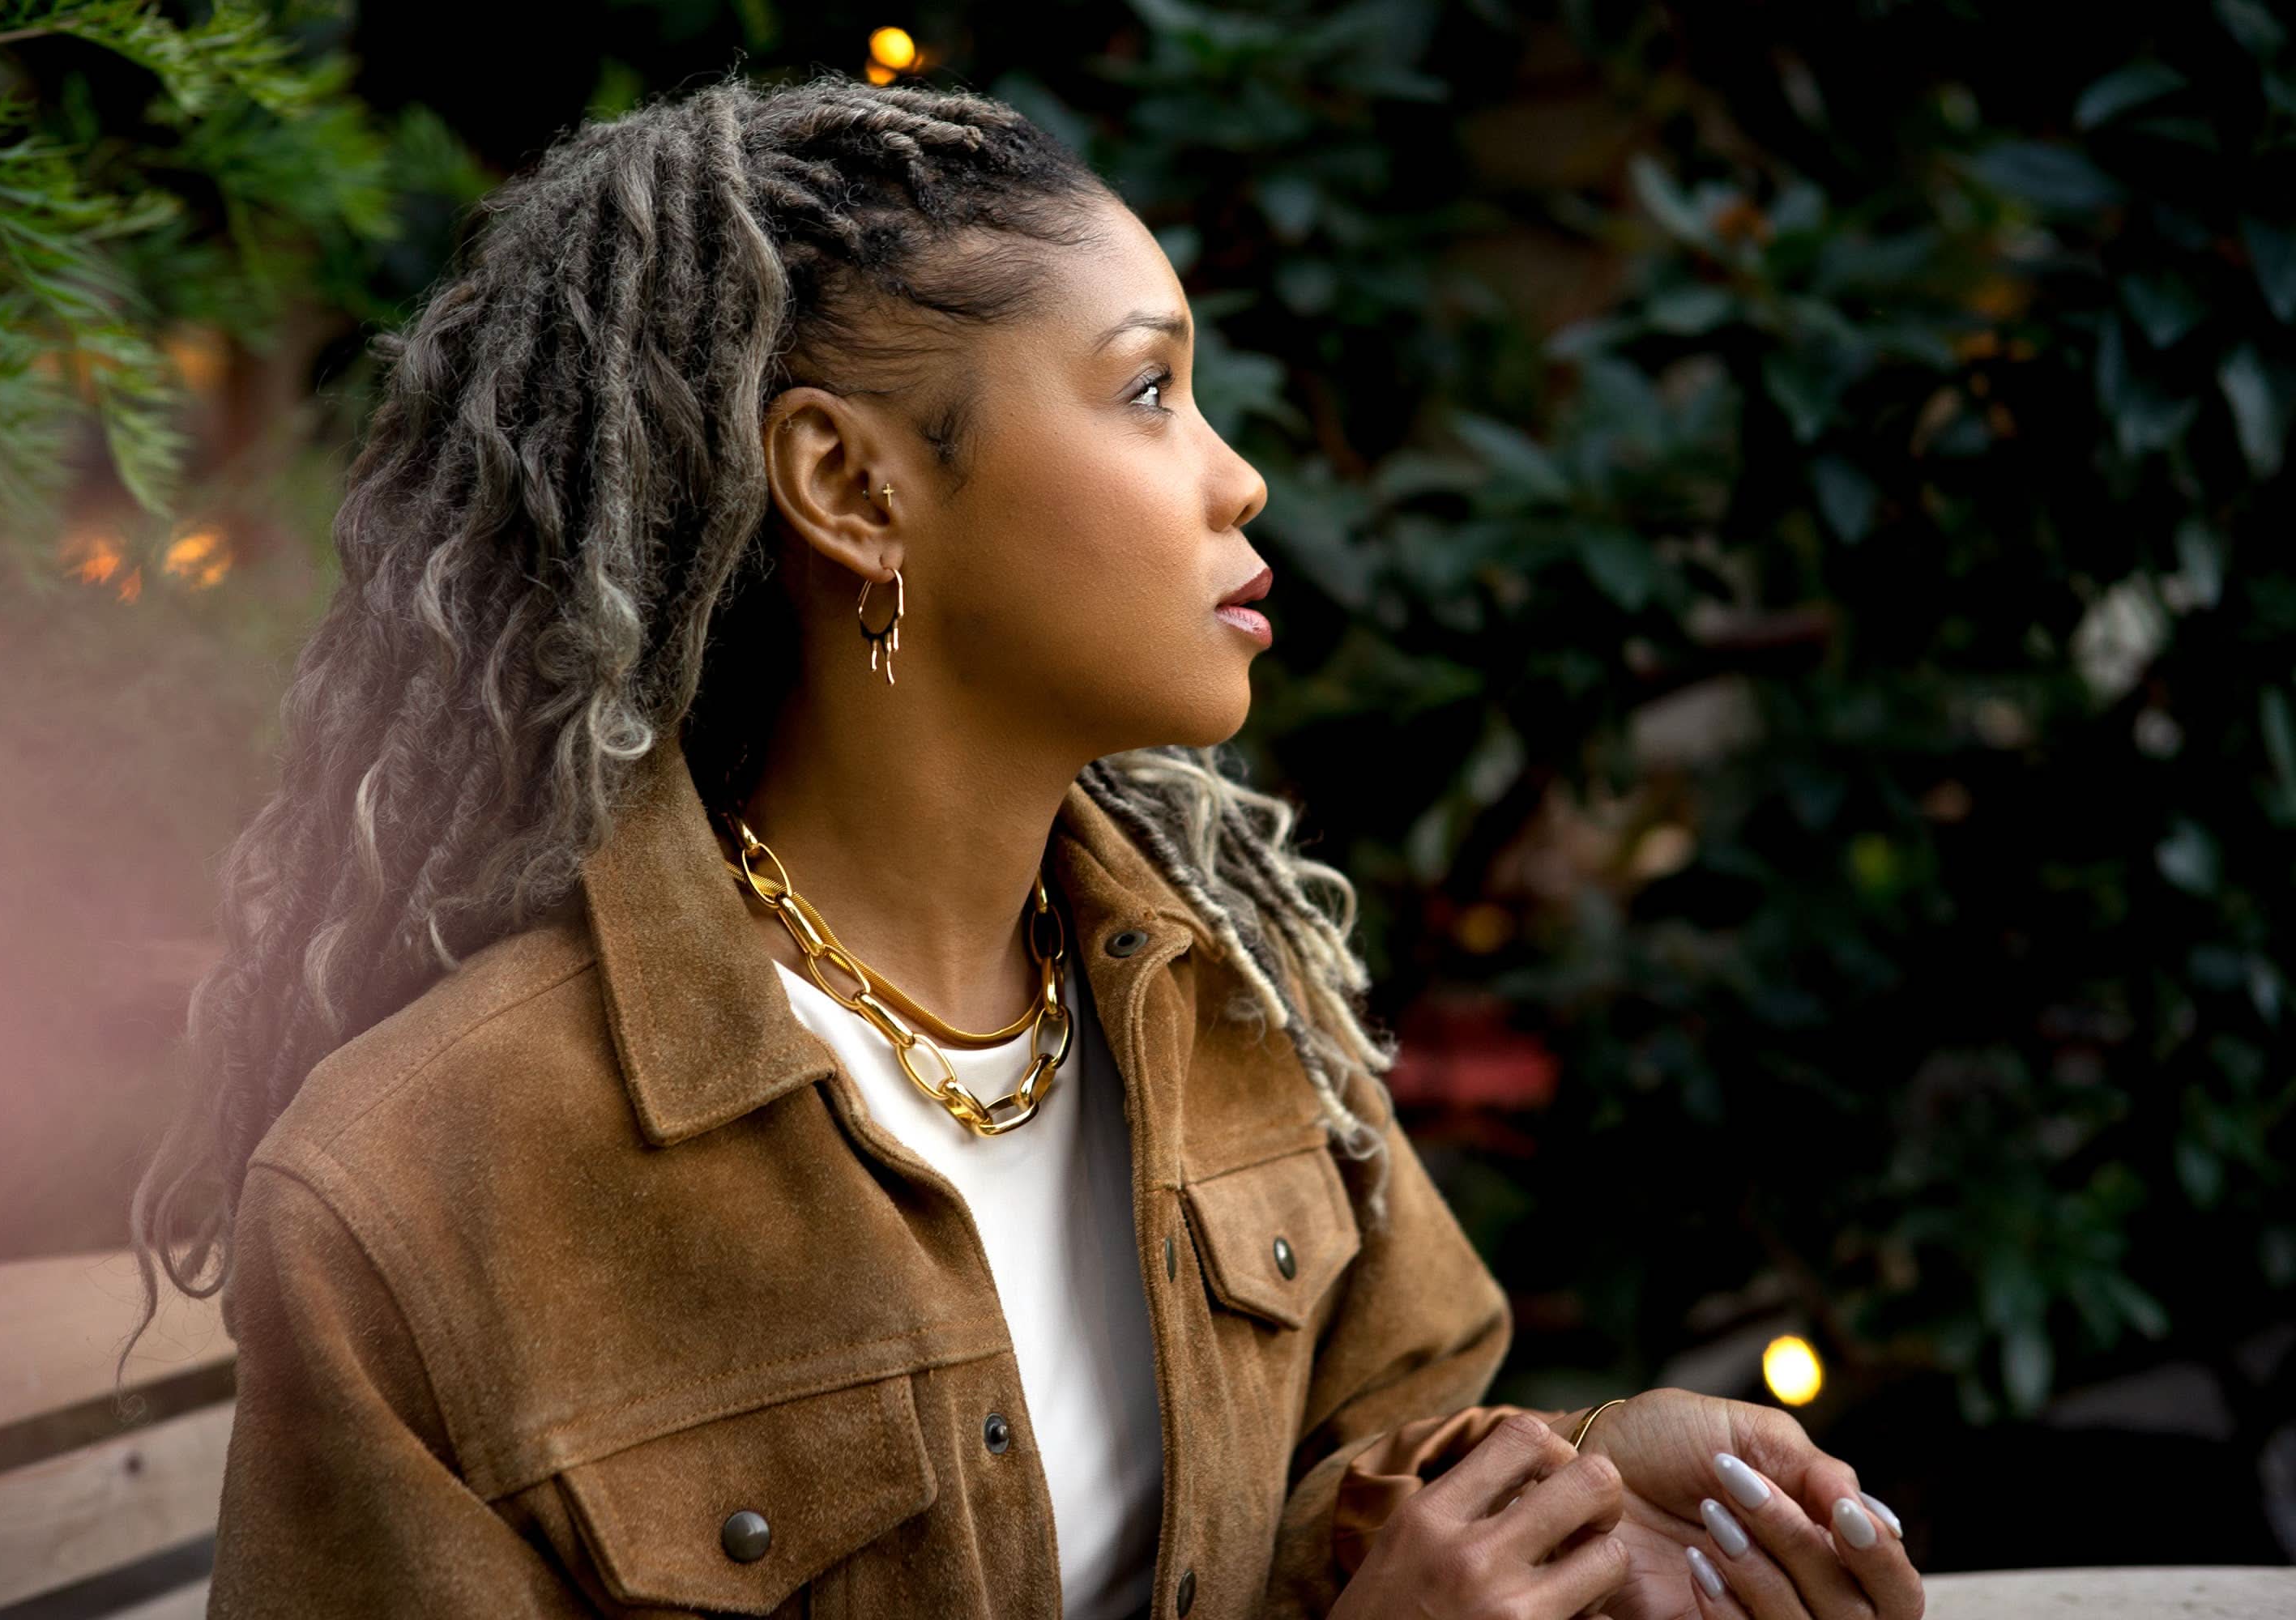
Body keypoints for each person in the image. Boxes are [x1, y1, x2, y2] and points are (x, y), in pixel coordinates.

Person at [121, 68, 1927, 1620]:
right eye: (1149, 391)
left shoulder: (1223, 998)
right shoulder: (417, 1186)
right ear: (851, 489)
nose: (1236, 477)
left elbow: (1363, 1468)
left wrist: (1598, 1498)